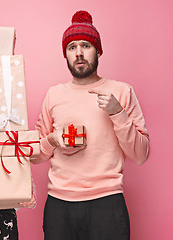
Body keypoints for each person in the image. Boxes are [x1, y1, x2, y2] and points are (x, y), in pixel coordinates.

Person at [34, 10, 150, 240]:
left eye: (86, 46)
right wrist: (52, 141)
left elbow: (141, 155)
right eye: (71, 47)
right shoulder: (53, 94)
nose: (78, 53)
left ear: (98, 50)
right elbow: (35, 155)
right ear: (65, 54)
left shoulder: (121, 92)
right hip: (59, 205)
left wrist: (118, 113)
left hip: (106, 203)